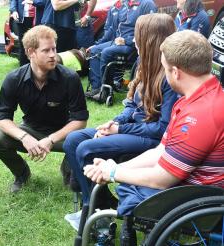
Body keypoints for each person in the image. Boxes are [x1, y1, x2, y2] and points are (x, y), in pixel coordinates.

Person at [84, 30, 224, 245]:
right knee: (126, 180)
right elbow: (160, 150)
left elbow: (161, 179)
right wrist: (115, 167)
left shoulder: (200, 115)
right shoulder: (197, 98)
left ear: (175, 72)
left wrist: (113, 172)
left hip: (200, 201)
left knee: (128, 187)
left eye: (165, 69)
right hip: (195, 188)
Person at [63, 14, 178, 227]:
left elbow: (163, 129)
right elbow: (132, 105)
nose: (133, 40)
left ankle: (93, 211)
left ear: (151, 40)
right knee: (73, 140)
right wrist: (113, 123)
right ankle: (102, 203)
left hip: (151, 138)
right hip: (134, 129)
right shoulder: (144, 64)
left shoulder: (169, 78)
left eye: (138, 36)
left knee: (86, 148)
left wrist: (120, 128)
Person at [0, 25, 89, 193]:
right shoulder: (14, 79)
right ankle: (22, 173)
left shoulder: (70, 78)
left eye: (54, 49)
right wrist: (24, 137)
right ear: (30, 52)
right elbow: (2, 119)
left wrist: (50, 139)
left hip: (63, 133)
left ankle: (68, 170)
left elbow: (80, 120)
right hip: (31, 129)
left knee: (84, 141)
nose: (53, 55)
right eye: (46, 50)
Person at [85, 0, 157, 98]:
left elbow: (150, 31)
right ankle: (96, 88)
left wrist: (127, 41)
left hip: (133, 45)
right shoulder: (124, 5)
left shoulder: (147, 4)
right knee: (95, 51)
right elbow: (112, 30)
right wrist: (97, 44)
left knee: (106, 52)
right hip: (117, 42)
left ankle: (105, 91)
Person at [10, 0, 35, 66]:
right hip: (22, 19)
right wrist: (14, 11)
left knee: (36, 44)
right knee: (23, 44)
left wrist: (33, 2)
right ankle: (23, 69)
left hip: (36, 18)